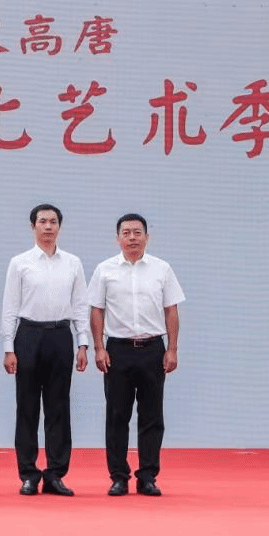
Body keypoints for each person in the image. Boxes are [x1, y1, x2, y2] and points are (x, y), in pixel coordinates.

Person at [88, 213, 185, 497]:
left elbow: (171, 310)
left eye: (137, 232)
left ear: (147, 237)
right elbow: (96, 310)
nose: (132, 238)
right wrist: (98, 347)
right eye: (126, 233)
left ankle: (148, 477)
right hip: (117, 351)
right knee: (116, 416)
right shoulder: (105, 270)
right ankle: (118, 476)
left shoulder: (162, 269)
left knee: (152, 416)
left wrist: (172, 349)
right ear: (117, 238)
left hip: (153, 349)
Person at [1, 203, 89, 497]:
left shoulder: (73, 263)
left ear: (59, 227)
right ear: (33, 226)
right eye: (42, 221)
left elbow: (80, 306)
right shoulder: (20, 263)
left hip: (60, 336)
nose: (48, 226)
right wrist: (8, 347)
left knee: (58, 408)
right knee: (26, 408)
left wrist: (83, 343)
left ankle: (55, 474)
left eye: (53, 221)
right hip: (28, 335)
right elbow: (10, 306)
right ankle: (28, 474)